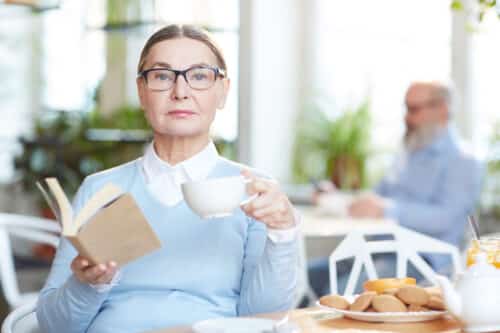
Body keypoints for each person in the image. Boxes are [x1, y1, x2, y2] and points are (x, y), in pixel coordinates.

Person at [36, 24, 299, 333]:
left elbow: (264, 318)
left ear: (223, 91)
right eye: (162, 76)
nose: (180, 91)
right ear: (141, 91)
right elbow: (55, 326)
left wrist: (283, 235)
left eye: (199, 76)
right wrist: (87, 284)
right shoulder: (100, 189)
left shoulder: (253, 189)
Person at [308, 80, 483, 297]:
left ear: (442, 110)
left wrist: (387, 209)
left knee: (341, 292)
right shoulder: (408, 153)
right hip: (376, 251)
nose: (406, 118)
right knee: (306, 277)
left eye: (414, 109)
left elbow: (446, 217)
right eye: (406, 108)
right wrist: (337, 198)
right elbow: (377, 196)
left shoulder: (464, 160)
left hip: (421, 261)